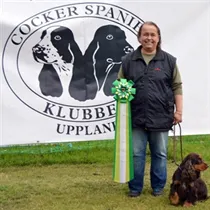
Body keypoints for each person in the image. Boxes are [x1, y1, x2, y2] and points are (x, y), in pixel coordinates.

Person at [118, 21, 183, 197]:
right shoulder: (127, 61)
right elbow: (119, 86)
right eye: (145, 34)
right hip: (136, 116)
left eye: (153, 34)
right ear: (139, 37)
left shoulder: (169, 61)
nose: (149, 38)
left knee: (160, 154)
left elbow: (177, 86)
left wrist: (178, 111)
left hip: (161, 115)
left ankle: (158, 187)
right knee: (136, 154)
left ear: (158, 37)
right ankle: (135, 187)